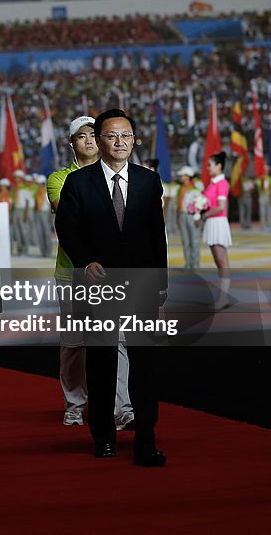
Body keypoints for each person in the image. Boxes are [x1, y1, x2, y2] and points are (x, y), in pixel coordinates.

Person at [54, 108, 168, 468]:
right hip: (97, 285)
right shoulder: (79, 182)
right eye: (111, 136)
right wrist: (85, 260)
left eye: (126, 136)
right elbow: (68, 229)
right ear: (98, 140)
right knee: (102, 363)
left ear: (134, 141)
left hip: (141, 287)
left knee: (145, 365)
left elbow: (156, 235)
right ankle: (103, 436)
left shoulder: (149, 182)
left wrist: (160, 282)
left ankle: (146, 440)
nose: (120, 143)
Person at [47, 116, 133, 430]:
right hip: (72, 274)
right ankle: (75, 404)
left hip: (112, 275)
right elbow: (71, 216)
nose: (89, 141)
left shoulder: (118, 175)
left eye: (93, 135)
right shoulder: (59, 178)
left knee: (117, 340)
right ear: (72, 142)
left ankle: (120, 407)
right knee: (74, 344)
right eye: (81, 136)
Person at [201, 152, 232, 310]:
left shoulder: (222, 183)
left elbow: (220, 207)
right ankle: (222, 296)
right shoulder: (212, 183)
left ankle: (223, 297)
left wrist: (205, 214)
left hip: (218, 222)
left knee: (222, 262)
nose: (208, 168)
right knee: (218, 262)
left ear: (219, 165)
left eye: (210, 165)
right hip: (212, 223)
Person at [175, 167, 203, 269]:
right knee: (185, 241)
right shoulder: (180, 189)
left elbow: (199, 205)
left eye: (183, 175)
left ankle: (195, 264)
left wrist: (197, 217)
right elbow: (178, 203)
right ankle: (188, 263)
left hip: (192, 216)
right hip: (182, 216)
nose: (181, 177)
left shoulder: (195, 190)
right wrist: (177, 217)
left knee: (194, 241)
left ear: (187, 176)